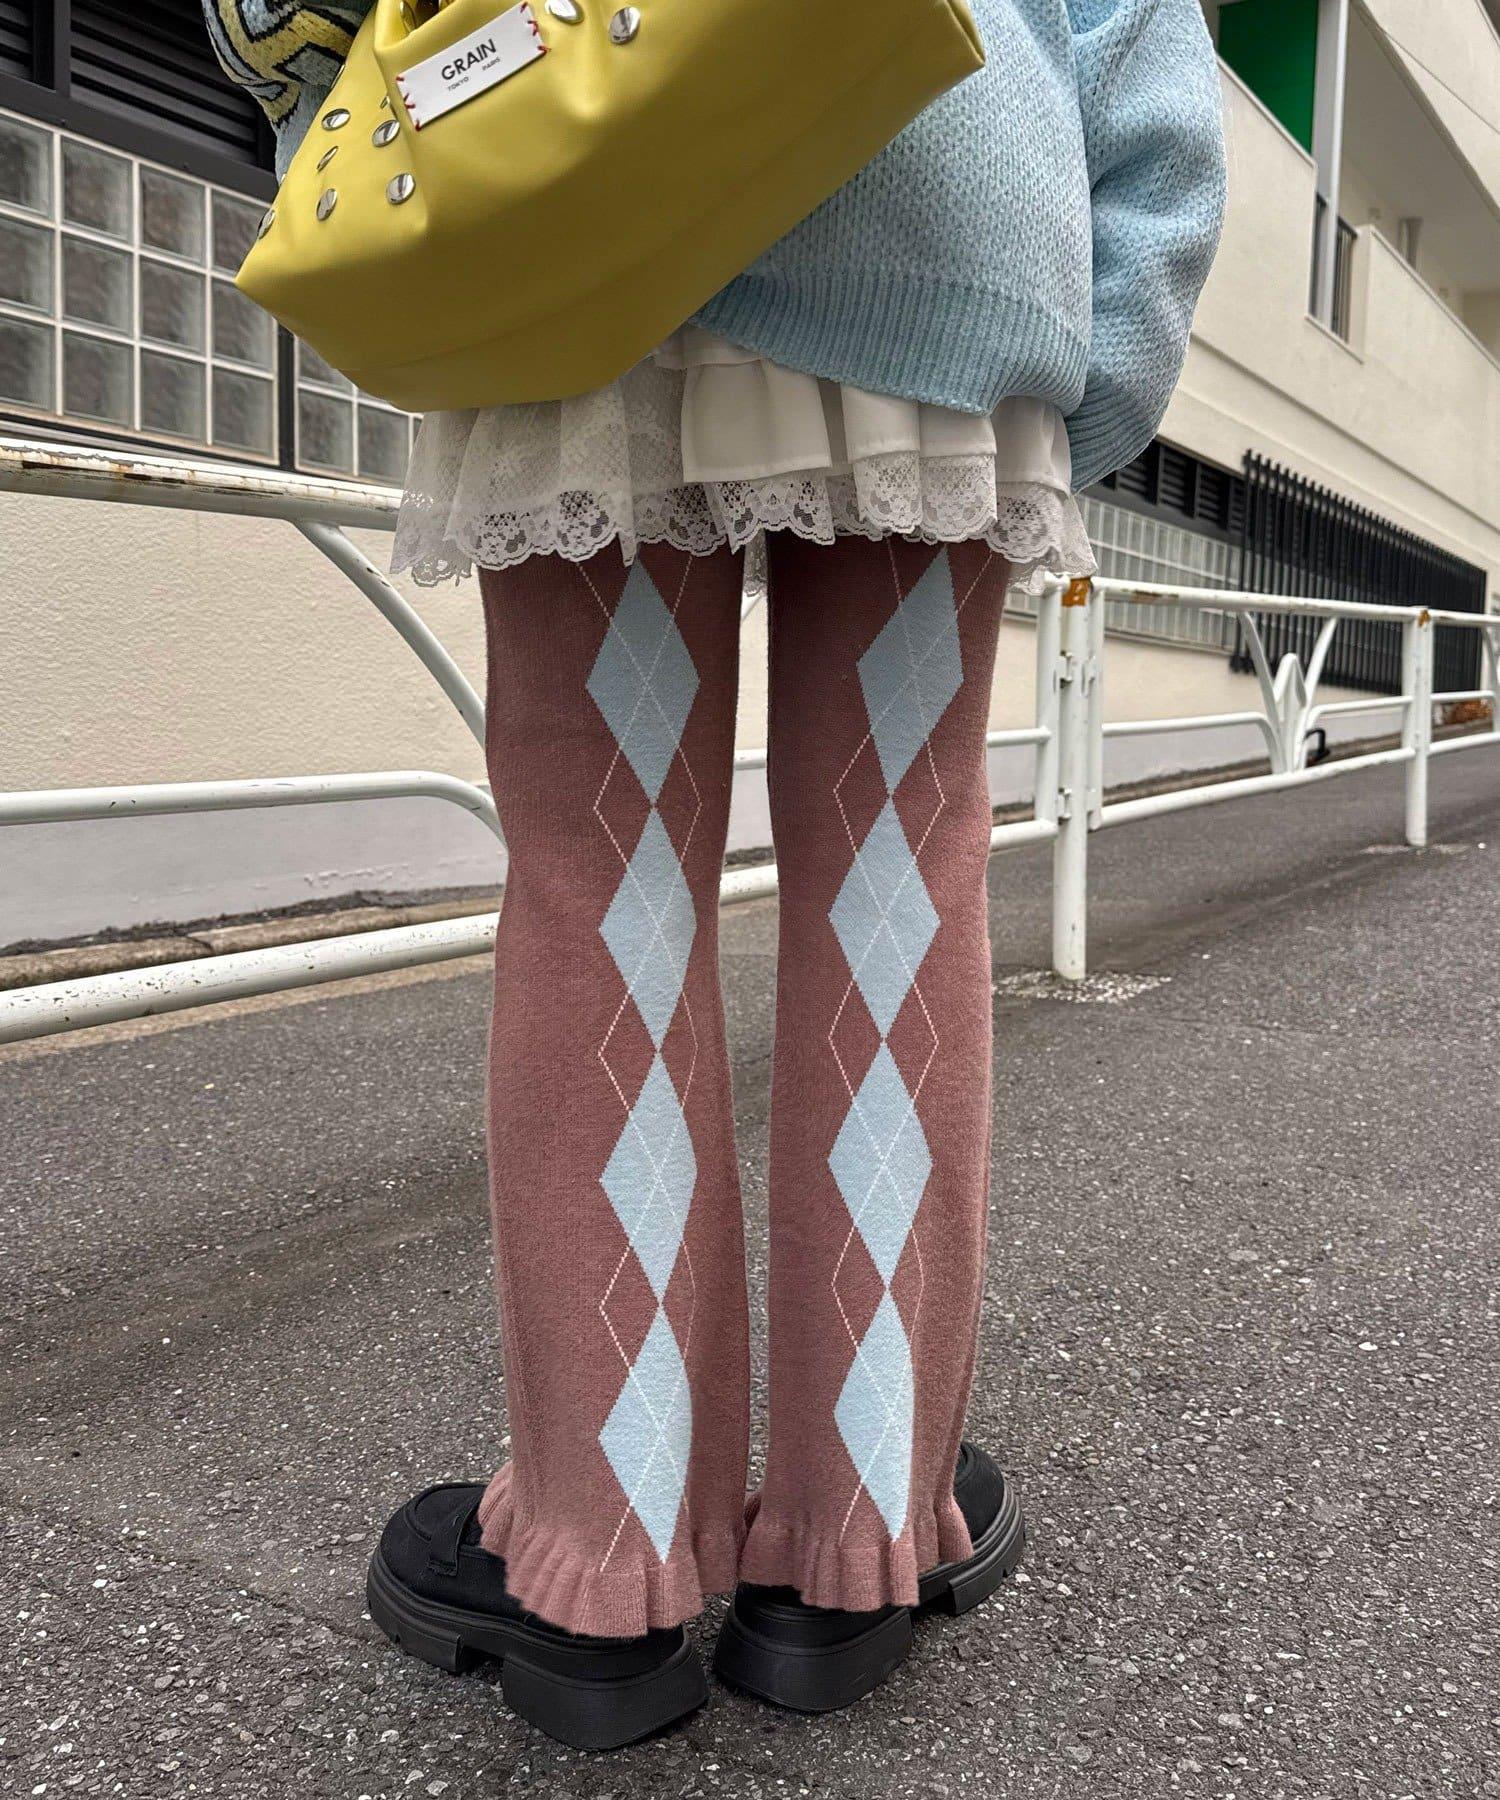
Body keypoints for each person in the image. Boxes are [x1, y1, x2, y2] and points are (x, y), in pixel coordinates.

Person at [204, 0, 1226, 1750]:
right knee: (898, 879)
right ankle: (853, 1540)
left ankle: (601, 1563)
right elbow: (1139, 47)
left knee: (601, 877)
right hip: (945, 202)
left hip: (590, 178)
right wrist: (1082, 347)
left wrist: (348, 151)